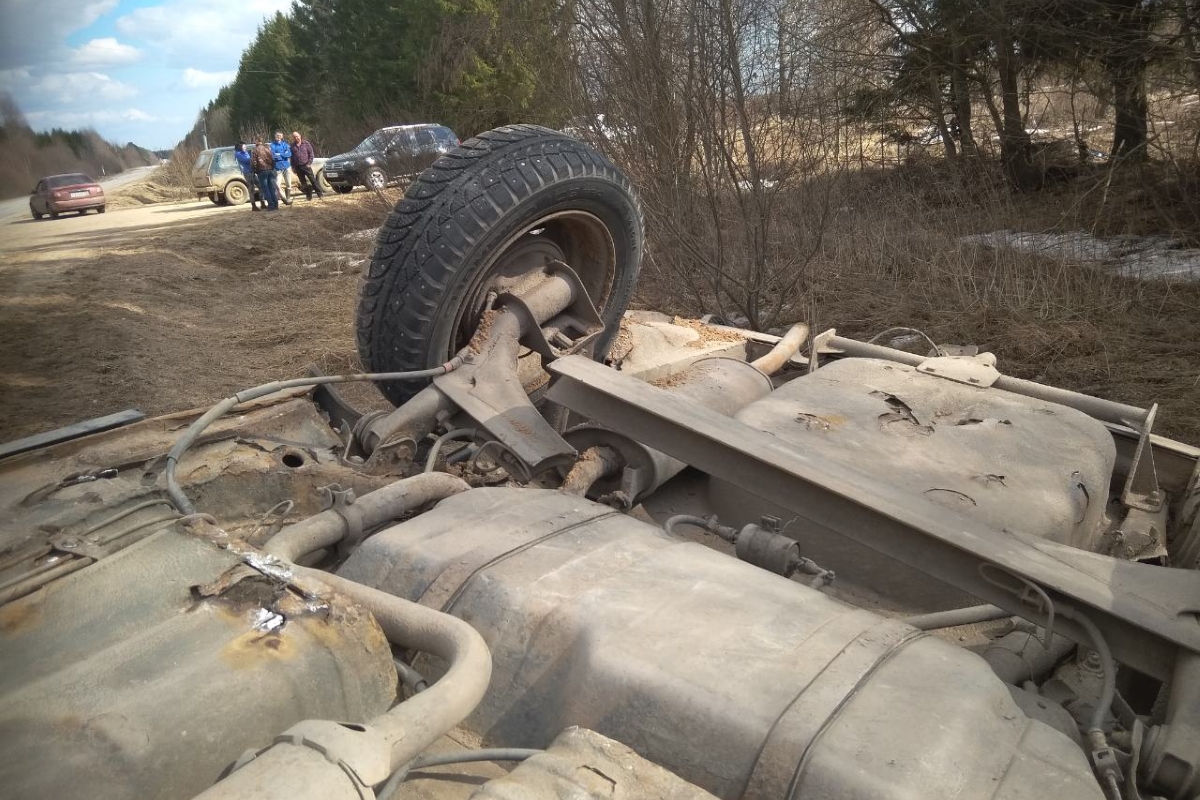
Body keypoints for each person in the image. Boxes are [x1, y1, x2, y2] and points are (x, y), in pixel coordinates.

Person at [290, 130, 325, 201]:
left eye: (297, 136)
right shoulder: (292, 146)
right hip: (298, 167)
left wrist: (309, 163)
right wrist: (293, 167)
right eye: (294, 137)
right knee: (303, 183)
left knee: (313, 180)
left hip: (306, 165)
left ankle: (320, 194)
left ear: (300, 136)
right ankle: (309, 196)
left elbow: (311, 154)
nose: (296, 138)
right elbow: (292, 157)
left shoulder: (306, 143)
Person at [250, 138, 279, 211]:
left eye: (255, 141)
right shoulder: (267, 148)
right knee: (271, 188)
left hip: (261, 171)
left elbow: (254, 162)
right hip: (270, 169)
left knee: (266, 189)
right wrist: (272, 167)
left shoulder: (255, 150)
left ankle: (271, 205)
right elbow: (272, 158)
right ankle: (275, 204)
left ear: (257, 141)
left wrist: (254, 170)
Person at [233, 143, 261, 211]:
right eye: (244, 147)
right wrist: (255, 157)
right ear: (240, 147)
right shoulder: (238, 154)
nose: (245, 148)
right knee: (251, 189)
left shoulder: (244, 152)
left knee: (260, 186)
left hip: (251, 171)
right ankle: (253, 205)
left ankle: (262, 202)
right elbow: (247, 160)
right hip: (247, 172)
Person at [271, 131, 293, 205]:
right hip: (277, 168)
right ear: (275, 136)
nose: (278, 137)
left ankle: (288, 198)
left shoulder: (285, 145)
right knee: (277, 185)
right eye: (277, 135)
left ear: (282, 137)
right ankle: (278, 201)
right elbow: (273, 156)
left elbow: (289, 154)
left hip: (286, 166)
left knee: (289, 184)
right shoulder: (272, 145)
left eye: (280, 135)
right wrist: (283, 155)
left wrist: (279, 154)